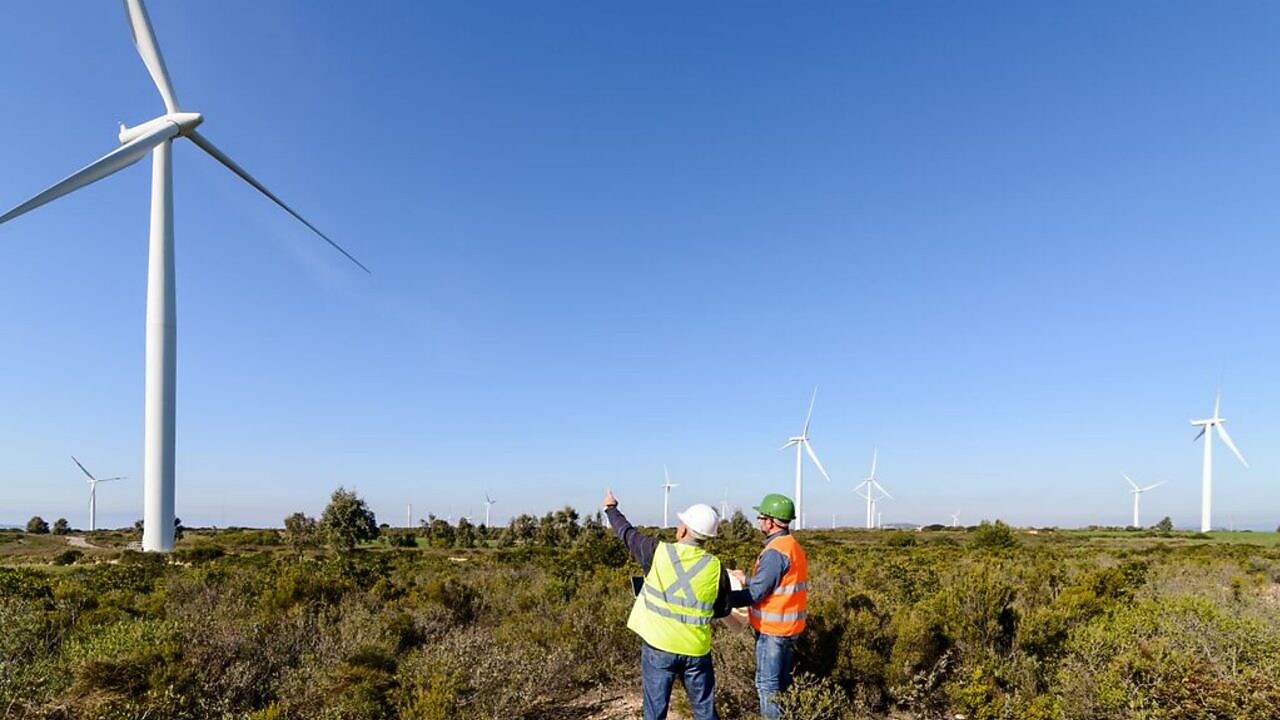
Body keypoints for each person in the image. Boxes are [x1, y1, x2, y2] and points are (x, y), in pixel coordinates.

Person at [604, 488, 733, 720]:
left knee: (655, 712)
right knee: (704, 711)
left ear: (683, 529)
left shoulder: (657, 552)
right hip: (696, 650)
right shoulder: (716, 567)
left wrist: (611, 509)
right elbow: (723, 608)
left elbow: (626, 533)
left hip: (658, 647)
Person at [728, 493, 808, 720]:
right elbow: (777, 585)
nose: (759, 521)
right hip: (790, 629)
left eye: (760, 517)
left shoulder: (775, 552)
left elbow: (757, 593)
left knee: (768, 688)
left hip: (773, 632)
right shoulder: (793, 546)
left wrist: (725, 600)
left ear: (771, 522)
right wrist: (746, 580)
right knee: (781, 685)